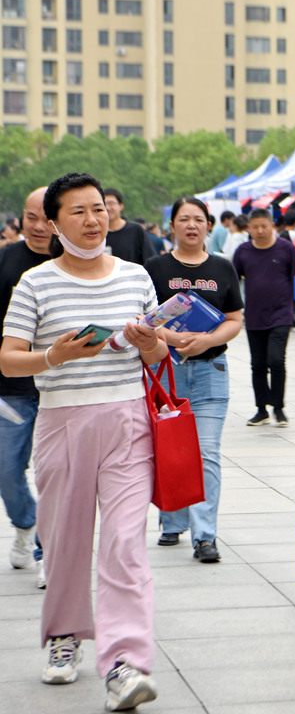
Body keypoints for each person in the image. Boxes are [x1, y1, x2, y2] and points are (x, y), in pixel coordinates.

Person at [0, 172, 167, 711]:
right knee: (66, 542)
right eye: (78, 212)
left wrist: (150, 343)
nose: (93, 220)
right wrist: (57, 356)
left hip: (127, 423)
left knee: (124, 544)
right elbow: (8, 357)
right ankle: (64, 638)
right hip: (62, 423)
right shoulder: (36, 283)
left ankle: (125, 662)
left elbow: (159, 355)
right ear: (53, 223)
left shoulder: (137, 276)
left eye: (98, 209)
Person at [145, 198, 245, 564]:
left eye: (198, 219)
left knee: (206, 453)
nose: (191, 225)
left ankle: (205, 536)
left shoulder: (222, 267)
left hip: (210, 372)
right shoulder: (154, 268)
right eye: (184, 219)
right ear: (171, 225)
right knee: (168, 447)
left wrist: (206, 340)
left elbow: (234, 318)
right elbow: (144, 320)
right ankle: (172, 518)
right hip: (165, 371)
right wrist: (173, 339)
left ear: (208, 226)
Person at [0, 187, 52, 588]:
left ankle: (46, 551)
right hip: (11, 388)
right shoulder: (5, 260)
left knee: (56, 475)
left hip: (60, 389)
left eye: (45, 218)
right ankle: (25, 523)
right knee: (7, 470)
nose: (37, 226)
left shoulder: (74, 264)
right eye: (29, 217)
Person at [232, 209, 295, 427]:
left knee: (276, 360)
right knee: (257, 364)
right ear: (249, 228)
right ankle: (261, 409)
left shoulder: (286, 248)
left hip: (281, 315)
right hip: (254, 316)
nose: (260, 230)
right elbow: (232, 281)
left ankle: (279, 407)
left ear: (272, 225)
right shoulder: (243, 251)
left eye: (264, 226)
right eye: (255, 226)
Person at [102, 188, 156, 265]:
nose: (107, 208)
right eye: (104, 204)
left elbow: (150, 259)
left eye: (111, 203)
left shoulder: (136, 230)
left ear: (121, 206)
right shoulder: (98, 233)